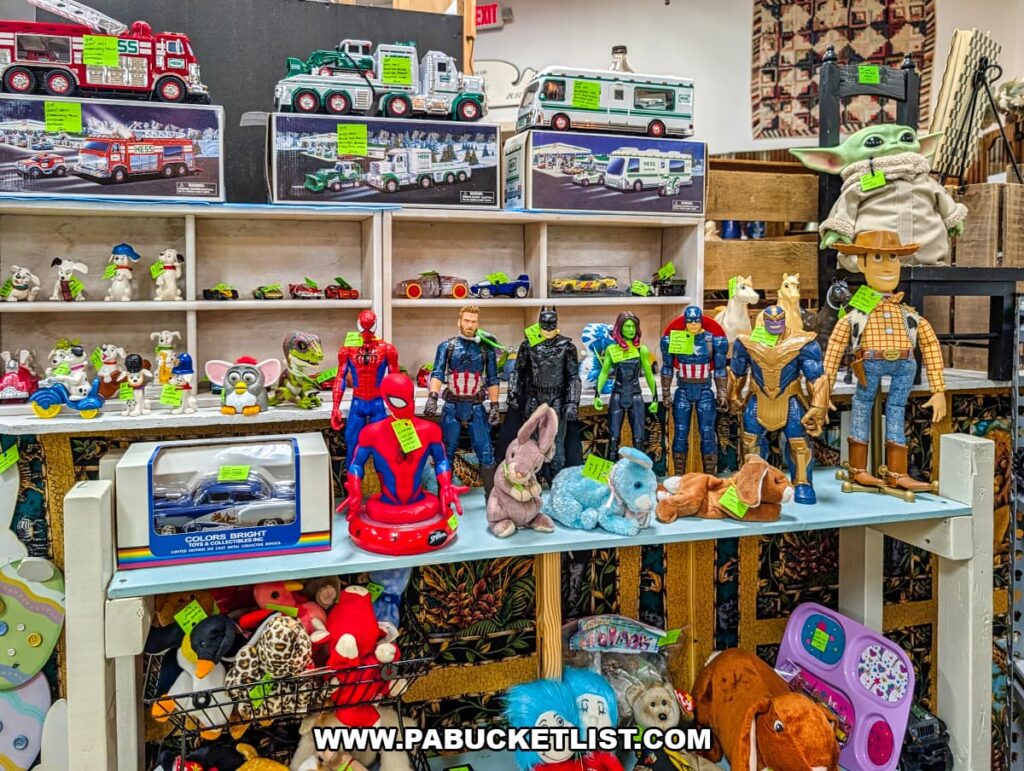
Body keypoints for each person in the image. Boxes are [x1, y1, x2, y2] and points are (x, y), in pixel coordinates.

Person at [823, 230, 947, 492]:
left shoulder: (908, 314)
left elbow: (931, 344)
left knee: (896, 409)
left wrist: (938, 389)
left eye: (893, 257)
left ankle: (897, 471)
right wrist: (824, 387)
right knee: (862, 405)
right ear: (862, 264)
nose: (888, 265)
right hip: (869, 364)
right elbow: (835, 346)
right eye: (878, 257)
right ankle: (858, 468)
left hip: (904, 365)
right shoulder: (856, 315)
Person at [729, 305, 829, 504]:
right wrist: (733, 395)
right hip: (758, 399)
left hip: (790, 400)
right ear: (763, 321)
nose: (775, 324)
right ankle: (754, 482)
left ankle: (802, 483)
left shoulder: (803, 342)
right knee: (750, 442)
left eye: (779, 320)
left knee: (799, 444)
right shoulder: (747, 342)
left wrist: (818, 406)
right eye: (771, 321)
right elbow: (737, 372)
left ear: (784, 320)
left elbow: (816, 377)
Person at [424, 305, 501, 498]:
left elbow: (492, 378)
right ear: (459, 321)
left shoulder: (486, 349)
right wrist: (432, 397)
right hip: (452, 405)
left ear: (478, 323)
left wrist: (494, 405)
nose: (469, 325)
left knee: (485, 452)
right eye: (466, 320)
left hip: (476, 406)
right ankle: (444, 498)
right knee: (446, 452)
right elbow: (438, 372)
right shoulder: (447, 346)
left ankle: (492, 500)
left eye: (473, 321)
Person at [501, 306, 581, 481]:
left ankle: (557, 485)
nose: (548, 326)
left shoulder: (566, 346)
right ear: (539, 323)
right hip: (534, 398)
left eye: (551, 323)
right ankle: (531, 483)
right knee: (530, 444)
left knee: (557, 444)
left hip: (557, 399)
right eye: (545, 323)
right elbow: (517, 371)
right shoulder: (528, 345)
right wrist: (513, 391)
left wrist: (573, 402)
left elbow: (573, 376)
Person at [660, 305, 728, 474]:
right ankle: (679, 476)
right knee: (680, 432)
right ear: (684, 322)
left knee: (707, 433)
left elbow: (720, 369)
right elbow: (667, 367)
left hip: (705, 390)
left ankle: (710, 476)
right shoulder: (674, 340)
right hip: (682, 390)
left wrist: (722, 392)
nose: (693, 324)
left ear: (701, 321)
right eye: (689, 321)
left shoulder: (713, 340)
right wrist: (666, 393)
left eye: (696, 321)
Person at [594, 311, 658, 459]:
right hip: (617, 395)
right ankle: (611, 472)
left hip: (636, 396)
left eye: (633, 326)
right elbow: (604, 373)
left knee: (639, 438)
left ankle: (640, 473)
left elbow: (649, 374)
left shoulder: (641, 350)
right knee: (613, 437)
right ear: (620, 328)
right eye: (627, 326)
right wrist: (597, 394)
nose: (630, 330)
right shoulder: (612, 350)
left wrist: (655, 398)